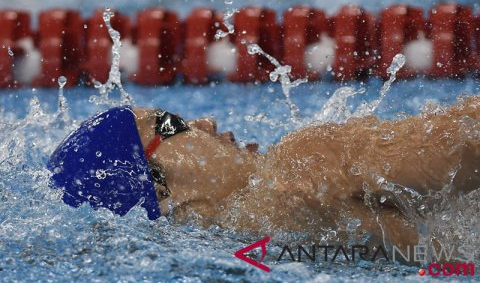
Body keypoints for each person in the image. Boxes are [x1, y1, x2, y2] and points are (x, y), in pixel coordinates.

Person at [48, 97, 480, 250]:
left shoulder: (253, 245)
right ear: (162, 193)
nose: (205, 124)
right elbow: (469, 142)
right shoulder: (302, 162)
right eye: (170, 126)